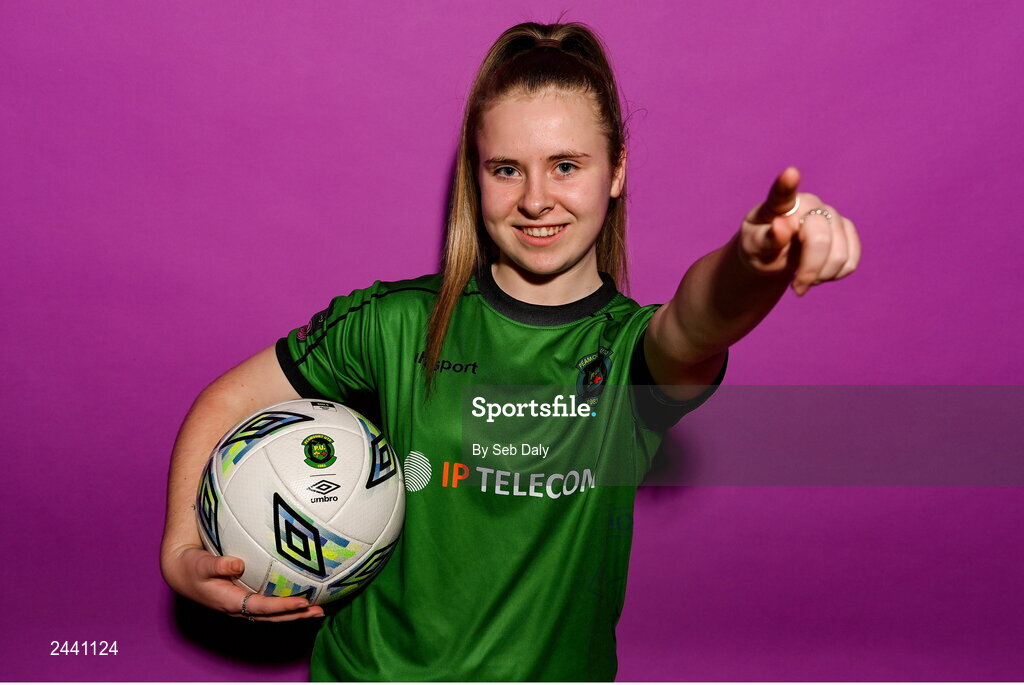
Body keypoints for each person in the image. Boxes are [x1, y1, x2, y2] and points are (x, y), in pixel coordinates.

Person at [160, 21, 860, 681]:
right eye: (505, 169)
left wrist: (754, 259)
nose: (535, 199)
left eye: (565, 165)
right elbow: (229, 401)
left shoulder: (625, 353)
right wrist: (180, 550)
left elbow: (701, 318)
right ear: (476, 175)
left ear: (616, 170)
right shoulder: (396, 321)